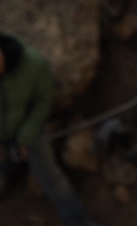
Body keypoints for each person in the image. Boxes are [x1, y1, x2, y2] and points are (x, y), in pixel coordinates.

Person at [0, 32, 101, 226]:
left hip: (28, 129)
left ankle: (79, 220)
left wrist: (26, 135)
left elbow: (44, 100)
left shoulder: (32, 64)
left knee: (51, 177)